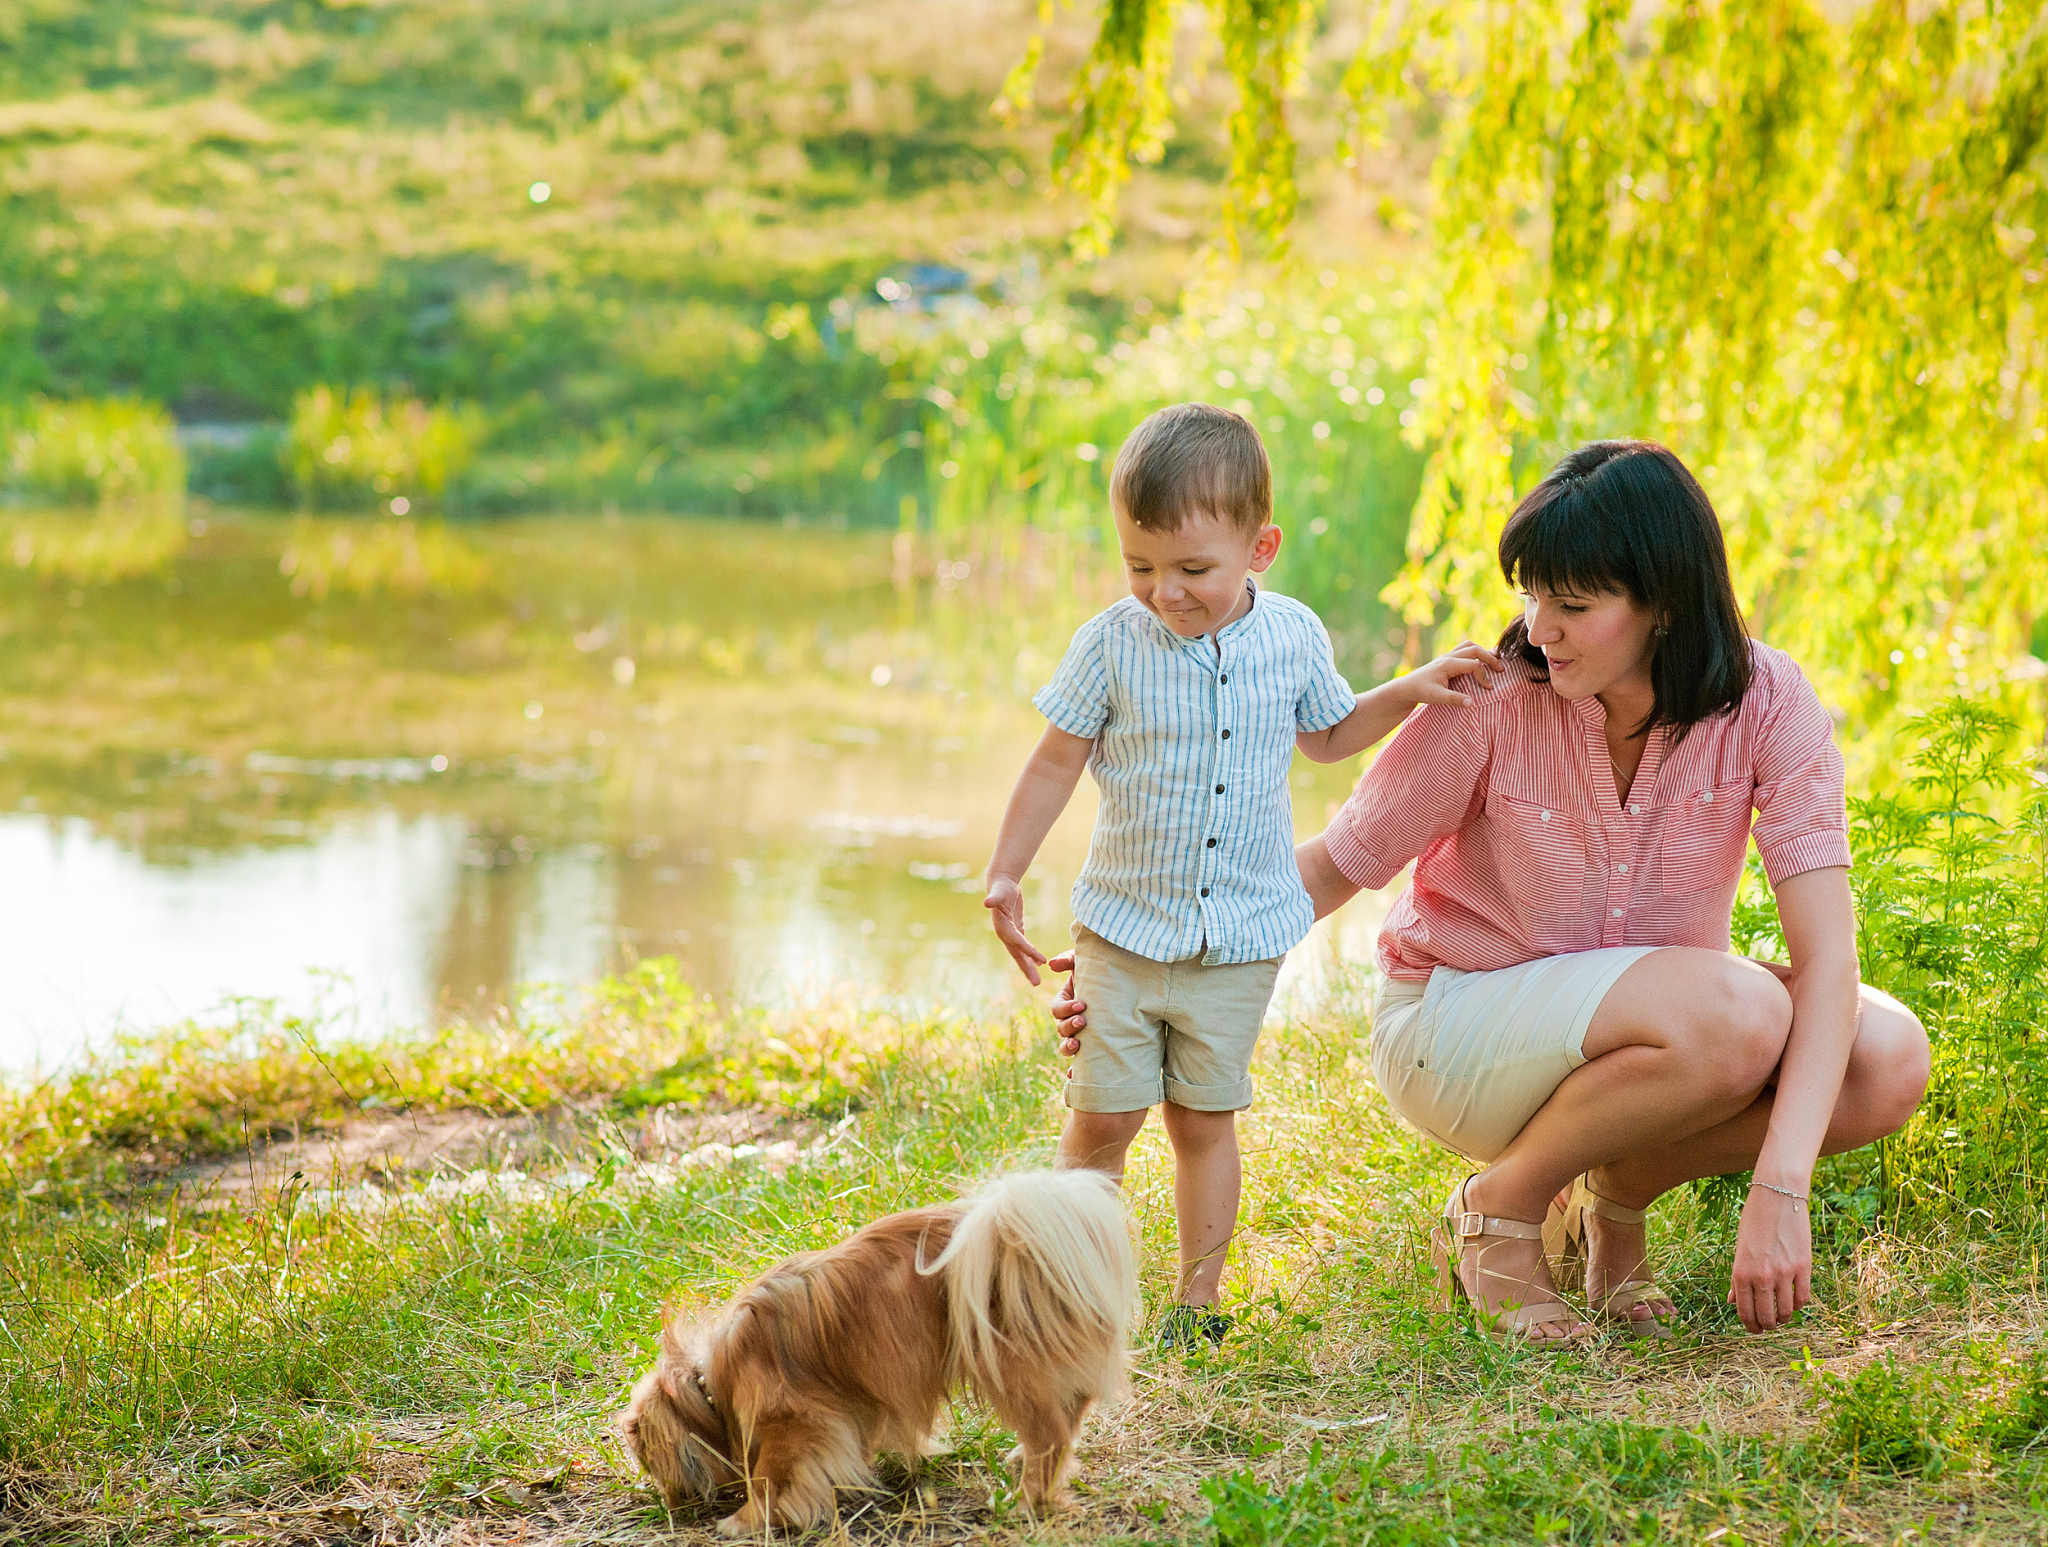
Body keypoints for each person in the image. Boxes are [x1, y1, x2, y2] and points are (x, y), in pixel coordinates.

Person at [1049, 439, 1931, 1346]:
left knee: (1887, 1059)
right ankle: (1498, 1209)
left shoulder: (1770, 702)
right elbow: (1332, 865)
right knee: (1742, 1008)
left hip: (1657, 1041)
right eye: (1534, 596)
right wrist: (1139, 957)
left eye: (1574, 605)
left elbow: (1829, 960)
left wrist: (1781, 1187)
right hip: (1454, 1026)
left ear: (1665, 605)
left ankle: (1613, 1200)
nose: (1540, 629)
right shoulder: (1494, 699)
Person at [983, 401, 1500, 1350]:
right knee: (1103, 1114)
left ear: (1258, 548)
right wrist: (1007, 872)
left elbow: (1329, 734)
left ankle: (1197, 1303)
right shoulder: (1111, 643)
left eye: (1192, 570)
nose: (1164, 592)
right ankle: (1064, 1290)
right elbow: (1056, 759)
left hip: (1240, 939)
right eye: (1140, 566)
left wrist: (1409, 688)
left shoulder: (1294, 636)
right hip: (1124, 928)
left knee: (1203, 1118)